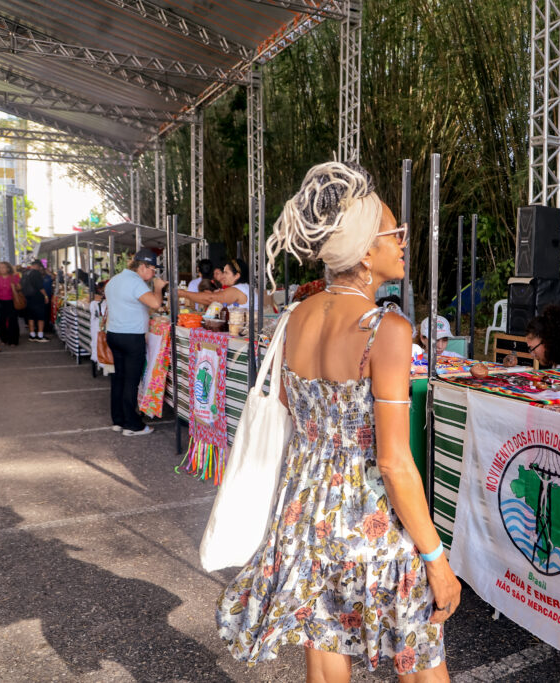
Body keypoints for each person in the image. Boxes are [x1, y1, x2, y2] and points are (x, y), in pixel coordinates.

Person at [217, 161, 458, 681]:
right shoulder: (387, 330)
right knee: (419, 662)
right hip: (373, 522)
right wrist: (437, 557)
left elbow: (294, 412)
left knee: (325, 666)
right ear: (367, 250)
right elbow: (393, 463)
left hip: (305, 516)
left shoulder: (292, 318)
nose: (404, 241)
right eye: (396, 232)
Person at [104, 248, 167, 436]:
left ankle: (118, 420)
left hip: (114, 333)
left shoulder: (115, 280)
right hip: (131, 336)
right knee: (130, 381)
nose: (154, 273)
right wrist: (158, 287)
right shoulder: (135, 282)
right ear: (142, 266)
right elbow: (156, 304)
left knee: (119, 379)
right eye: (153, 269)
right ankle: (133, 425)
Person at [178, 258, 254, 310]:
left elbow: (210, 299)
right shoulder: (244, 287)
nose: (223, 276)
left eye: (226, 273)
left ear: (237, 276)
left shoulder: (237, 290)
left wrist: (183, 293)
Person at [21, 259, 50, 342]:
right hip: (37, 298)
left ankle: (32, 335)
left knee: (31, 317)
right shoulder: (36, 273)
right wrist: (45, 296)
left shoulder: (25, 273)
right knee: (41, 317)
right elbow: (40, 286)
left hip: (28, 298)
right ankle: (40, 336)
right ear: (38, 266)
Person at [0, 261, 21, 346]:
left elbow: (20, 288)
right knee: (0, 322)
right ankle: (4, 339)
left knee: (13, 321)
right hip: (0, 302)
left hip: (12, 301)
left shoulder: (14, 277)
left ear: (8, 268)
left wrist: (15, 286)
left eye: (3, 267)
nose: (1, 269)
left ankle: (13, 341)